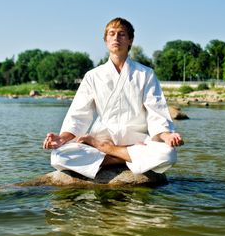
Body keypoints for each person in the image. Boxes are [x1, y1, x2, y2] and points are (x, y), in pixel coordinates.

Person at [43, 17, 184, 179]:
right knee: (59, 156)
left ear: (130, 40)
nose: (116, 38)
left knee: (168, 154)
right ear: (105, 40)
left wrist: (167, 135)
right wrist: (61, 139)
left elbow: (156, 112)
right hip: (103, 138)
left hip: (136, 142)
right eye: (112, 34)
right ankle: (125, 158)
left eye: (122, 34)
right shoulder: (93, 76)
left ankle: (109, 152)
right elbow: (78, 115)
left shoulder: (145, 74)